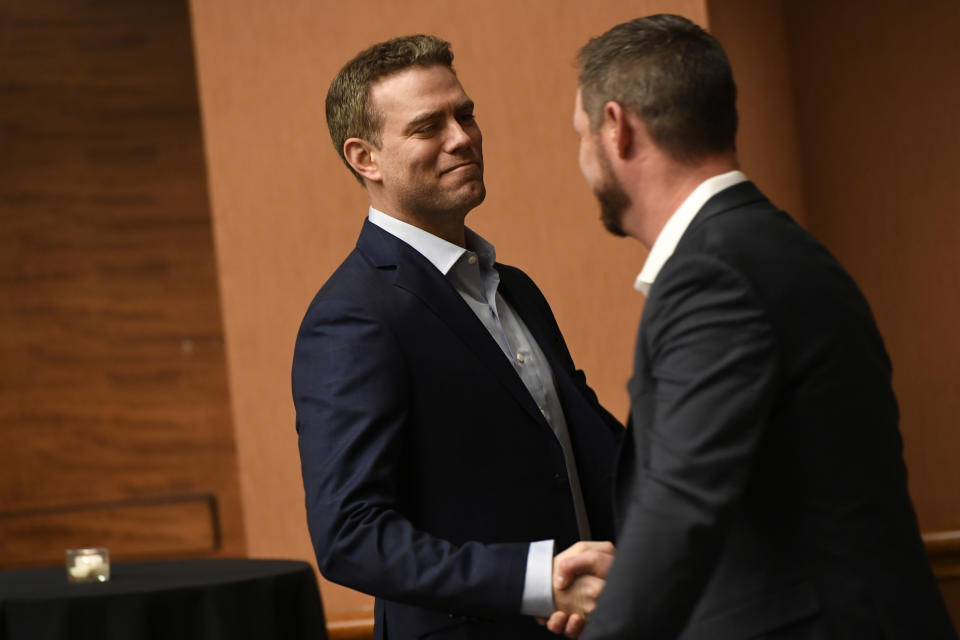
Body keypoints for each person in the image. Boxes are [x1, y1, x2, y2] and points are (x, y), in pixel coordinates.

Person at [551, 13, 958, 640]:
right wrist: (630, 572)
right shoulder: (771, 246)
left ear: (617, 127)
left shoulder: (714, 273)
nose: (582, 160)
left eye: (580, 134)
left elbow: (682, 506)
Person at [292, 34, 622, 640]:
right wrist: (535, 580)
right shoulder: (352, 317)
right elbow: (350, 536)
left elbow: (580, 451)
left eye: (464, 114)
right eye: (427, 127)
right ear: (365, 158)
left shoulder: (515, 287)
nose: (462, 137)